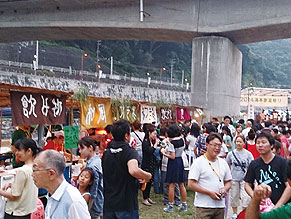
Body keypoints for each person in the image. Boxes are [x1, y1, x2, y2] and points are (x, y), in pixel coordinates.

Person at [102, 120, 152, 219]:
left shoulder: (106, 153)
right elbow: (133, 170)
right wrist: (147, 176)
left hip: (109, 203)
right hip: (126, 204)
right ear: (126, 136)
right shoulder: (129, 152)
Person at [32, 150, 90, 219]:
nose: (32, 175)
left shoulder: (73, 201)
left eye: (35, 170)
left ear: (51, 173)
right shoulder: (51, 195)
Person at [188, 133, 232, 219]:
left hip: (219, 206)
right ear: (207, 145)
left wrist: (224, 189)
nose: (217, 148)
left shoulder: (223, 162)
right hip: (203, 206)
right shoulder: (199, 162)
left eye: (219, 146)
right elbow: (191, 184)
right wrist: (209, 193)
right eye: (214, 145)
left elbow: (228, 182)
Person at [244, 131, 291, 207]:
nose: (260, 145)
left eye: (263, 142)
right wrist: (255, 197)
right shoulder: (254, 164)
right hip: (263, 206)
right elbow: (247, 184)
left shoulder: (283, 162)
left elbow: (289, 186)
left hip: (282, 207)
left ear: (271, 145)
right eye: (258, 143)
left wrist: (277, 206)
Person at [0, 138, 39, 219]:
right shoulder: (36, 167)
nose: (16, 153)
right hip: (27, 211)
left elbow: (15, 196)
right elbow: (27, 186)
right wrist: (12, 184)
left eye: (19, 150)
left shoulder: (22, 171)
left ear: (29, 151)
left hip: (16, 212)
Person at [161, 124, 188, 213]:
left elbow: (172, 156)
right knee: (181, 184)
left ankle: (171, 205)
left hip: (173, 163)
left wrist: (164, 153)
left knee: (171, 185)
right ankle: (184, 204)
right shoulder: (182, 140)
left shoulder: (172, 143)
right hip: (180, 161)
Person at [226, 135, 254, 219]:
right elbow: (228, 164)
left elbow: (252, 165)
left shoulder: (248, 154)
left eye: (240, 142)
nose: (238, 143)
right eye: (237, 141)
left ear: (244, 143)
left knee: (245, 197)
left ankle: (244, 213)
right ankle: (235, 213)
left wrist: (248, 173)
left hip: (245, 180)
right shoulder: (231, 154)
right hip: (234, 178)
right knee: (234, 196)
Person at [78, 137, 103, 219]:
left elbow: (93, 191)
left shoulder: (93, 166)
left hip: (93, 205)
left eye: (82, 148)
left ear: (90, 148)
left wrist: (88, 208)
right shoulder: (95, 160)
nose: (80, 151)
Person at [141, 124, 160, 206]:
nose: (155, 135)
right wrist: (156, 144)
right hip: (146, 164)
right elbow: (149, 151)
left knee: (150, 181)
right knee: (146, 181)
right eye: (154, 133)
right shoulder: (145, 142)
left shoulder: (151, 141)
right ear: (149, 133)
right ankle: (145, 198)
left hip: (151, 163)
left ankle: (148, 197)